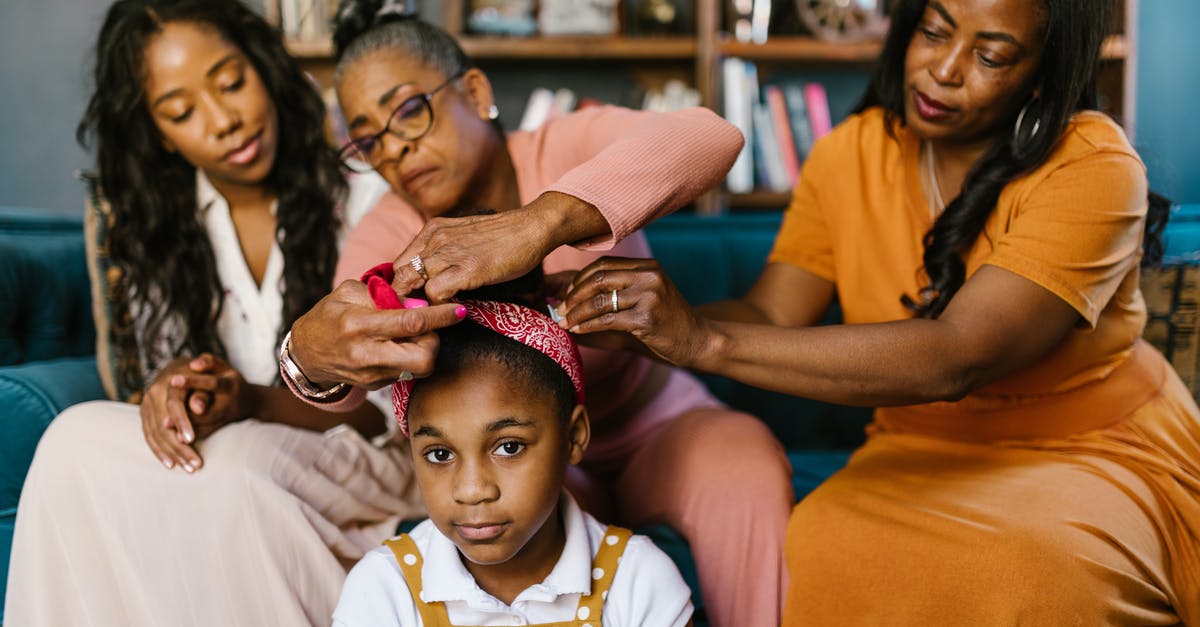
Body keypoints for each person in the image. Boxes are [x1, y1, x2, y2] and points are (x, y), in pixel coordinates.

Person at [555, 0, 1200, 623]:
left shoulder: (1093, 164)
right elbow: (773, 311)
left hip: (1090, 449)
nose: (944, 69)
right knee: (824, 544)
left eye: (992, 55)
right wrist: (630, 323)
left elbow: (959, 354)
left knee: (1032, 568)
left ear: (1044, 72)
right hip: (921, 448)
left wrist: (700, 341)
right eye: (934, 31)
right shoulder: (852, 152)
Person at [283, 4, 793, 625]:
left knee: (744, 468)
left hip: (653, 420)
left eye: (409, 111)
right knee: (518, 527)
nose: (395, 150)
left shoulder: (562, 147)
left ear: (475, 91)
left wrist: (537, 225)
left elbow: (712, 137)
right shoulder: (386, 234)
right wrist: (306, 355)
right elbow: (344, 380)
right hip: (520, 451)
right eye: (368, 140)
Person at [4, 1, 457, 625]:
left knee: (236, 469)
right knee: (70, 442)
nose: (223, 121)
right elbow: (168, 380)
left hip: (369, 453)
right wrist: (176, 395)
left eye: (231, 82)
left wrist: (250, 401)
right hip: (235, 449)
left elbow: (387, 415)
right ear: (160, 132)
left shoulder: (362, 189)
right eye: (182, 112)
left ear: (263, 65)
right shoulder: (154, 221)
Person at [331, 269, 694, 626]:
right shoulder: (384, 589)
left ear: (574, 437)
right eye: (440, 454)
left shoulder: (637, 581)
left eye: (508, 447)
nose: (472, 490)